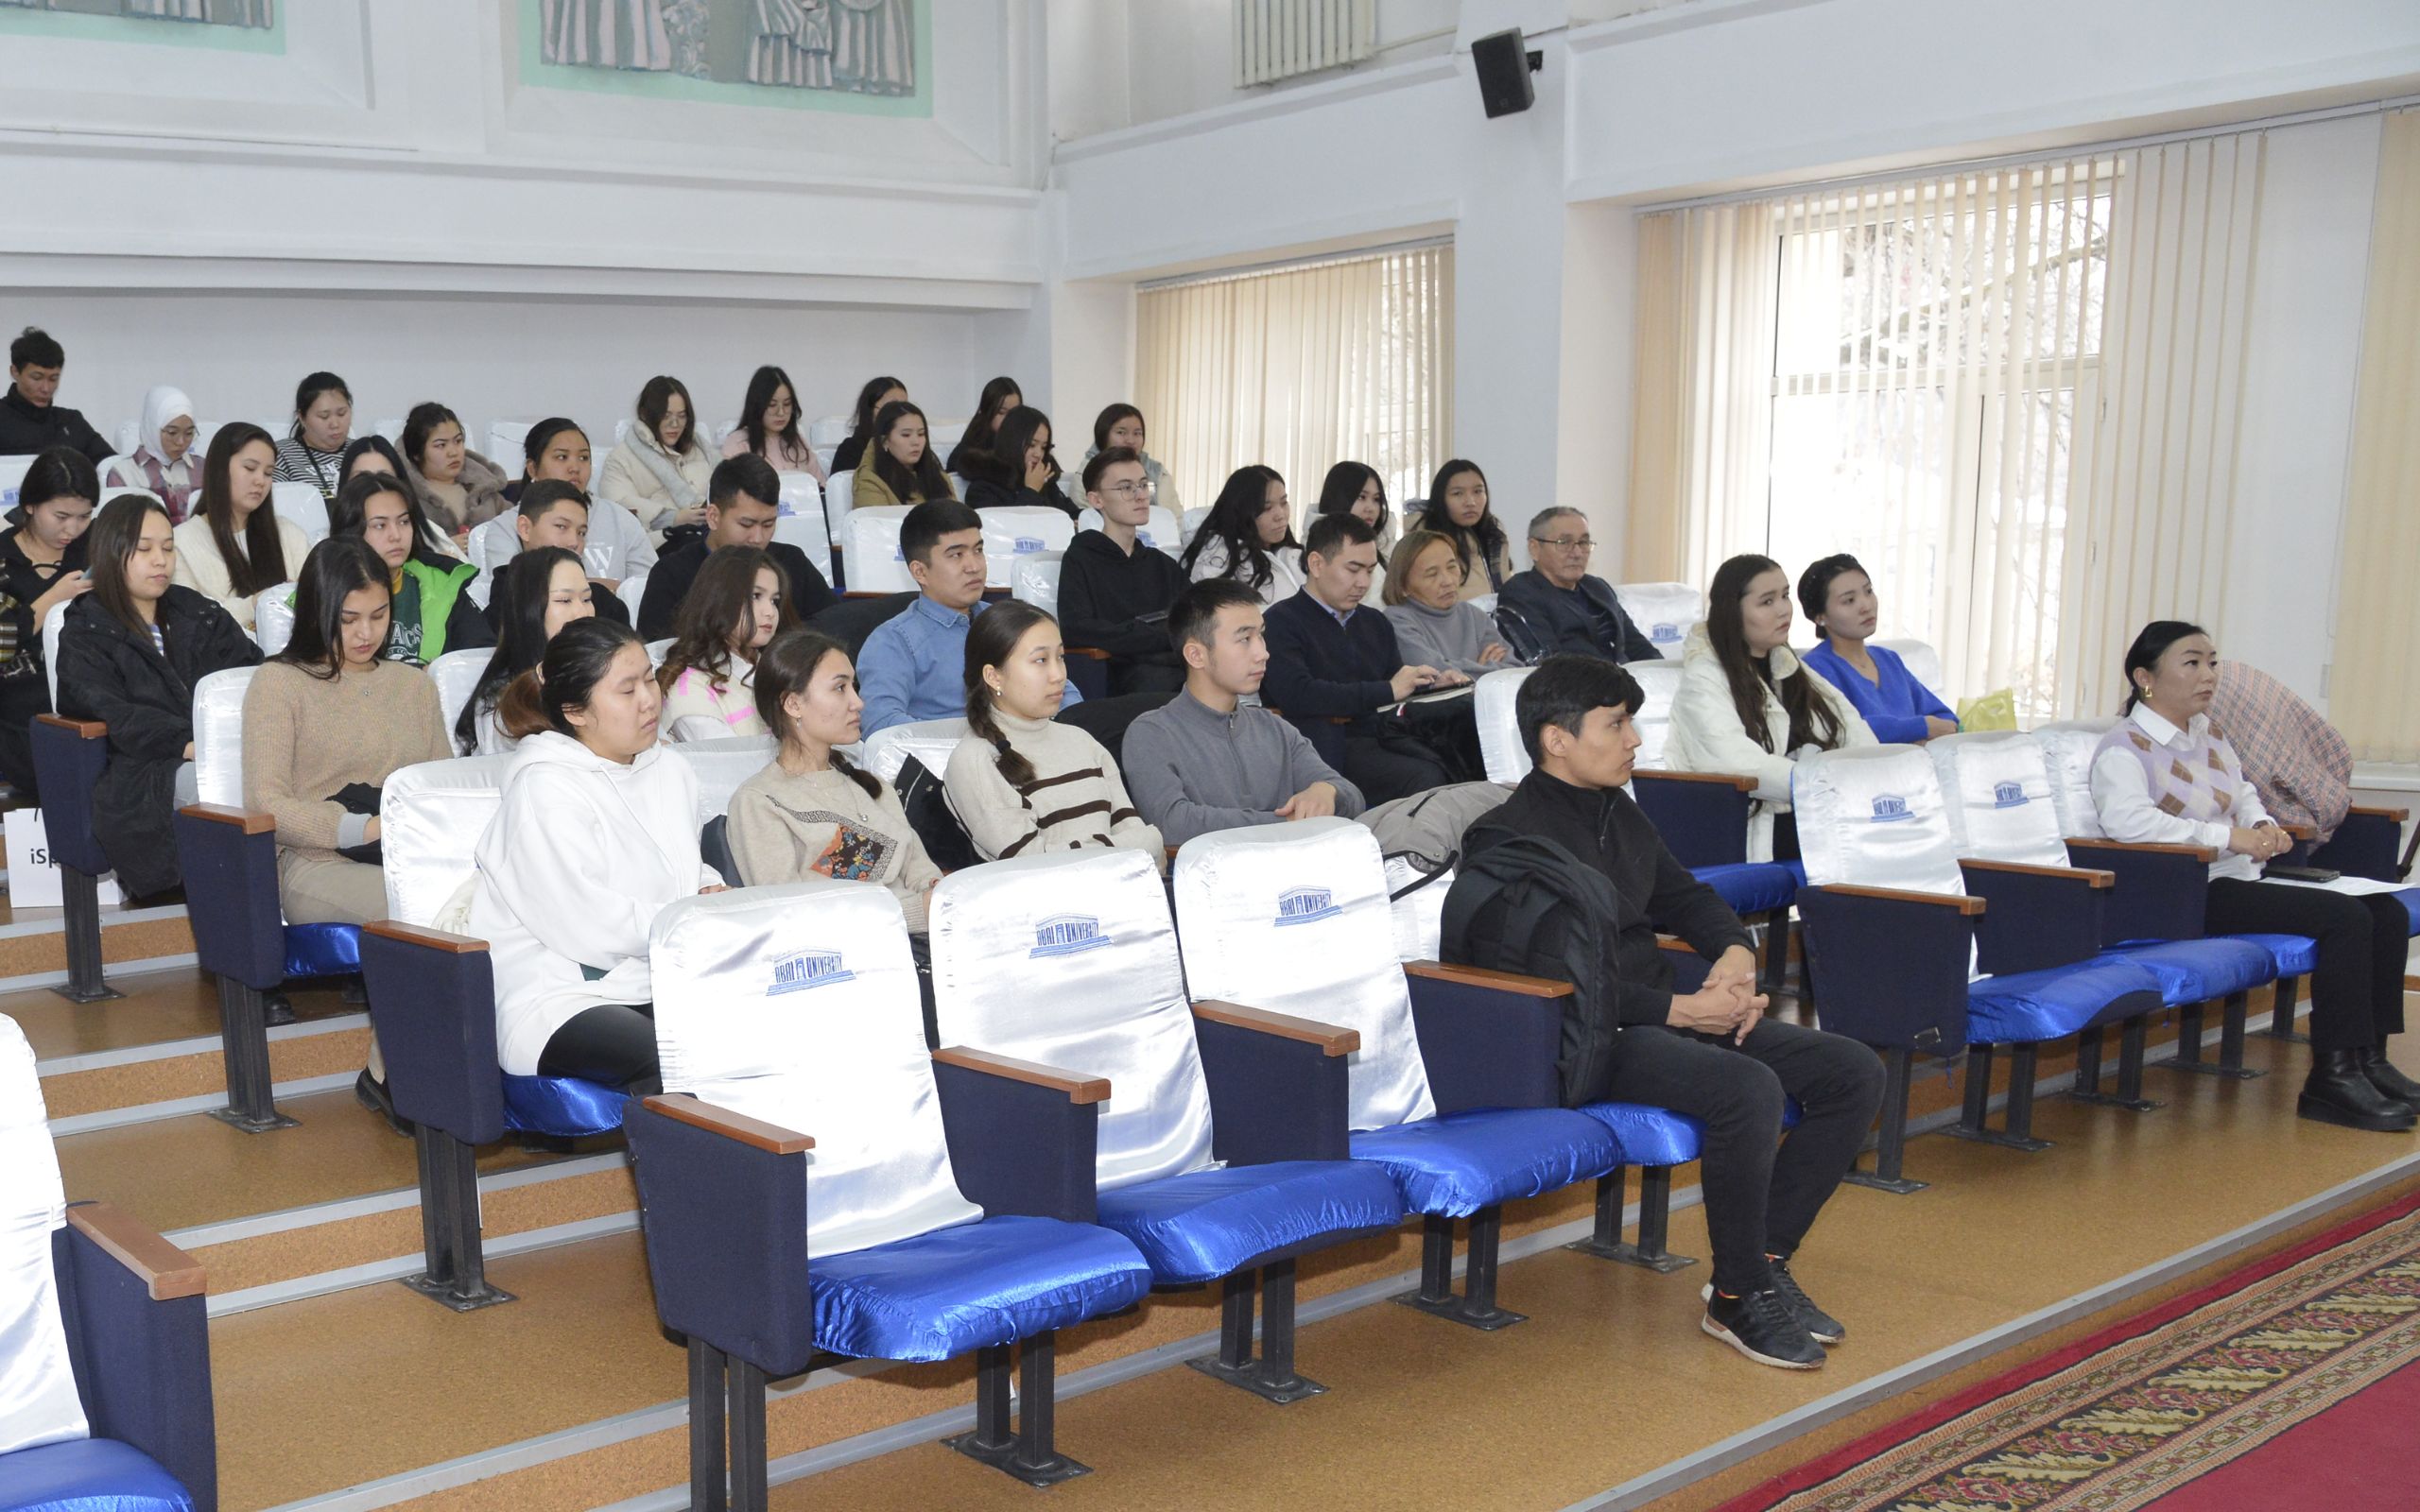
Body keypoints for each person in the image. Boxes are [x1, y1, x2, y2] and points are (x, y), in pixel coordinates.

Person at [1461, 655, 1886, 1369]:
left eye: (1632, 722)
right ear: (1556, 739)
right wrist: (1684, 1011)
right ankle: (1737, 1297)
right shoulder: (1512, 843)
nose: (1635, 739)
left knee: (1852, 1070)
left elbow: (1686, 898)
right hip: (1585, 1039)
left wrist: (1734, 956)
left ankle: (1763, 1262)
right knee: (1747, 1087)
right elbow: (1549, 983)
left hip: (1661, 1015)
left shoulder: (1617, 812)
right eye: (1616, 724)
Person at [2090, 622, 2416, 1133]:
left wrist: (2262, 825)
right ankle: (2331, 1079)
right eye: (2192, 663)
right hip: (2190, 890)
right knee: (2346, 918)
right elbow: (2128, 823)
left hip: (2240, 877)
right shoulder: (2123, 746)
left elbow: (2243, 793)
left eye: (2212, 662)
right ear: (2144, 678)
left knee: (2386, 911)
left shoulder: (2209, 734)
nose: (2209, 675)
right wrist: (2228, 838)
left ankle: (2369, 1060)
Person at [470, 619, 723, 1096]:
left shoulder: (670, 768)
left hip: (659, 973)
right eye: (627, 690)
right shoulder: (544, 787)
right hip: (561, 994)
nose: (649, 700)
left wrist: (709, 888)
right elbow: (585, 924)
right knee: (673, 1058)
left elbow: (679, 862)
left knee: (765, 1025)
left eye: (649, 680)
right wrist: (690, 918)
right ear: (575, 711)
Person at [244, 538, 451, 1120]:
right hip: (315, 862)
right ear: (318, 611)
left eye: (379, 615)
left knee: (467, 903)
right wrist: (359, 828)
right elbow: (265, 802)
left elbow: (440, 785)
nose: (366, 633)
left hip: (405, 856)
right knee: (422, 912)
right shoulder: (279, 684)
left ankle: (421, 1069)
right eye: (349, 619)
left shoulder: (414, 685)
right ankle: (398, 1076)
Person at [54, 493, 261, 902]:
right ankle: (247, 910)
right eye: (145, 549)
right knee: (219, 790)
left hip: (224, 751)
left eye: (167, 548)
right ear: (112, 552)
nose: (160, 560)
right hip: (143, 774)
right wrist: (188, 744)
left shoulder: (197, 612)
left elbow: (251, 676)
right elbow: (115, 715)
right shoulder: (85, 631)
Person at [1123, 578, 1364, 847]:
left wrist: (1327, 791)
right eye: (1245, 639)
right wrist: (1288, 824)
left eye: (1261, 635)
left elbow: (1352, 797)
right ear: (1196, 655)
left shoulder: (1274, 727)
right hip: (1211, 871)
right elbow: (1172, 824)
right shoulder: (1151, 733)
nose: (1263, 653)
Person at [1666, 554, 1874, 862]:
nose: (1783, 609)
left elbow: (1850, 727)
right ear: (1733, 612)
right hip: (1743, 830)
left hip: (1808, 815)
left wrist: (1870, 776)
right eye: (1767, 601)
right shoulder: (1703, 678)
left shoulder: (1788, 664)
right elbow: (1737, 762)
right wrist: (1826, 784)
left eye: (1785, 596)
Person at [727, 627, 943, 917]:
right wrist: (916, 911)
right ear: (793, 704)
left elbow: (922, 872)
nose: (858, 702)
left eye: (854, 686)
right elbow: (792, 913)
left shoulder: (873, 787)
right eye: (840, 688)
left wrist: (938, 892)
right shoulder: (760, 801)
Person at [1262, 512, 1468, 805]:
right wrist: (1388, 690)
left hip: (1382, 735)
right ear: (1316, 564)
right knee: (1425, 776)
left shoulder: (1374, 622)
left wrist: (1431, 686)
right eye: (1353, 569)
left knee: (1461, 761)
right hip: (1321, 746)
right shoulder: (1281, 622)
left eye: (1370, 571)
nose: (1363, 582)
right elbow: (1299, 695)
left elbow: (1394, 684)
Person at [943, 599, 1163, 865]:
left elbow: (1141, 842)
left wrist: (1137, 846)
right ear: (994, 677)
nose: (1058, 675)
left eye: (1060, 657)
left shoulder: (1081, 740)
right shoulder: (976, 760)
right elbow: (1030, 863)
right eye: (1040, 660)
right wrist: (1134, 847)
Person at [856, 498, 1082, 736]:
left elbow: (1065, 693)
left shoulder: (1009, 620)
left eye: (978, 550)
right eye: (956, 555)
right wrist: (978, 737)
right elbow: (882, 723)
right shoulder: (894, 641)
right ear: (920, 571)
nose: (974, 566)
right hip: (952, 753)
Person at [635, 455, 833, 640]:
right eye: (746, 524)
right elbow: (660, 652)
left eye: (768, 524)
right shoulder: (672, 574)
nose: (757, 538)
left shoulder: (792, 562)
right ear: (713, 517)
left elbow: (831, 624)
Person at [0, 448, 96, 796]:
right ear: (30, 505)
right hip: (21, 707)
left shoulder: (93, 549)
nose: (72, 529)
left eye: (84, 517)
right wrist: (55, 597)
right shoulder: (4, 558)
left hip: (92, 694)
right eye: (61, 516)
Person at [324, 472, 493, 665]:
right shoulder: (325, 590)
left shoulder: (444, 585)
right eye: (380, 526)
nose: (396, 535)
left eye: (404, 522)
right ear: (351, 531)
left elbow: (480, 660)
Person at [1057, 447, 1185, 695]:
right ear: (1096, 500)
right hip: (1123, 679)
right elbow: (1076, 629)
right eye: (1126, 487)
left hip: (1177, 669)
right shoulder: (1081, 559)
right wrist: (1153, 635)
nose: (1140, 496)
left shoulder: (1161, 564)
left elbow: (1195, 619)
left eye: (1143, 485)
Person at [1795, 554, 1956, 745]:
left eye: (1868, 591)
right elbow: (1844, 730)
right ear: (1820, 617)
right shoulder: (1814, 669)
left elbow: (1946, 719)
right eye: (1849, 600)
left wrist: (1920, 733)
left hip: (1914, 763)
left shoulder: (1888, 659)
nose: (1866, 606)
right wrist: (1920, 728)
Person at [457, 544, 592, 756]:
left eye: (587, 599)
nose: (582, 612)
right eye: (564, 600)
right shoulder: (502, 702)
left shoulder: (601, 672)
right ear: (529, 608)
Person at [172, 421, 304, 630]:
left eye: (268, 473)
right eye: (250, 468)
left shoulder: (289, 534)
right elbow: (190, 625)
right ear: (220, 470)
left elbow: (321, 600)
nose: (260, 481)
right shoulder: (181, 542)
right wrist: (255, 604)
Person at [2208, 659, 2354, 842]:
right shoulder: (2231, 672)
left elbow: (2245, 789)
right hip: (2324, 800)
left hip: (2286, 831)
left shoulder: (2206, 709)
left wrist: (2261, 824)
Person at [657, 545, 791, 741]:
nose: (770, 612)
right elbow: (725, 756)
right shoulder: (688, 685)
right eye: (756, 596)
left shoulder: (777, 666)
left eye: (774, 601)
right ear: (719, 599)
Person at [500, 418, 653, 587]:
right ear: (532, 468)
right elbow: (510, 590)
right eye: (562, 457)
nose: (575, 467)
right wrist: (607, 588)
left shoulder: (621, 519)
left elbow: (648, 587)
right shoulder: (506, 526)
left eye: (583, 457)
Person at [1495, 507, 1660, 663]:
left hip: (1625, 677)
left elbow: (1638, 646)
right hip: (1573, 680)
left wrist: (1664, 674)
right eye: (1564, 542)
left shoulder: (1598, 588)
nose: (1577, 553)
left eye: (1583, 542)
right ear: (1534, 548)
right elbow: (1548, 663)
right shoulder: (1521, 593)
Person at [482, 481, 628, 633]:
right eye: (561, 526)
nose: (574, 542)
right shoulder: (503, 608)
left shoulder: (604, 603)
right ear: (525, 529)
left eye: (581, 533)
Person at [1382, 528, 1518, 679]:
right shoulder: (1396, 620)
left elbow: (1514, 670)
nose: (1448, 581)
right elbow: (1431, 672)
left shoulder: (1473, 615)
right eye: (1432, 574)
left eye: (1452, 567)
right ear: (1403, 586)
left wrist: (1468, 672)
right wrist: (1483, 670)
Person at [597, 375, 715, 543]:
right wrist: (675, 518)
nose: (675, 424)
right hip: (661, 545)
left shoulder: (700, 449)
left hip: (710, 538)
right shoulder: (620, 459)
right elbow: (619, 509)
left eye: (682, 416)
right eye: (666, 416)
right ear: (645, 414)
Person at [1179, 465, 1305, 608]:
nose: (1280, 515)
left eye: (1284, 503)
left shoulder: (1289, 552)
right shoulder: (1218, 558)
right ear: (1241, 512)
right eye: (1267, 508)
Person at [399, 402, 511, 537]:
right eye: (441, 445)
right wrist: (445, 546)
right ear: (417, 454)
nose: (453, 452)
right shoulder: (406, 498)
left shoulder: (485, 489)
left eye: (458, 441)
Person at [0, 327, 112, 463]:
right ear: (15, 372)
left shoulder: (71, 422)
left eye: (53, 379)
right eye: (37, 378)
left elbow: (111, 465)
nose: (46, 388)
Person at [1409, 459, 1514, 600]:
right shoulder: (1427, 542)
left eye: (1478, 491)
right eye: (1458, 493)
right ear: (1441, 498)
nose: (1471, 502)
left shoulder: (1494, 535)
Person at [105, 386, 202, 523]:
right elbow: (122, 526)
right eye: (172, 433)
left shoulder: (203, 469)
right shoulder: (123, 474)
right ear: (153, 428)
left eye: (189, 433)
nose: (181, 442)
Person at [959, 404, 1074, 519]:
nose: (1038, 454)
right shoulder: (982, 489)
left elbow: (1070, 512)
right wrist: (1031, 491)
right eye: (1031, 445)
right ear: (1012, 443)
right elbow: (1009, 526)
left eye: (1044, 447)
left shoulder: (1043, 480)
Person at [721, 364, 825, 481]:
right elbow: (729, 489)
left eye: (787, 404)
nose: (781, 412)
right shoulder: (738, 443)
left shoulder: (798, 442)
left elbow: (820, 486)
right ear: (757, 406)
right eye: (772, 405)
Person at [851, 399, 955, 508]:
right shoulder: (870, 480)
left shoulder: (938, 475)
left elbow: (958, 515)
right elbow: (875, 519)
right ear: (885, 441)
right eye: (906, 435)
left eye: (921, 434)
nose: (916, 442)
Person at [1082, 404, 1182, 516]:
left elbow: (1173, 518)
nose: (1130, 440)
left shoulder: (1157, 472)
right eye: (1121, 432)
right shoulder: (1088, 472)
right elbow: (1084, 515)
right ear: (1103, 435)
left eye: (1137, 433)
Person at [271, 372, 354, 499]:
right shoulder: (282, 454)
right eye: (324, 416)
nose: (335, 424)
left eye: (342, 413)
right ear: (302, 417)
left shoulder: (362, 451)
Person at [1312, 461, 1392, 587]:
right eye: (1362, 497)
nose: (1371, 508)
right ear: (1339, 498)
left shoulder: (1385, 547)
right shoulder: (1315, 550)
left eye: (1376, 499)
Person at [828, 375, 906, 476]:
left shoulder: (913, 447)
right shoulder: (850, 450)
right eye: (892, 407)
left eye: (905, 407)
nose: (901, 414)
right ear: (870, 410)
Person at [944, 375, 1021, 475]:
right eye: (1002, 412)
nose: (1009, 419)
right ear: (987, 411)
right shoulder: (969, 452)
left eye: (1015, 412)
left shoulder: (1024, 443)